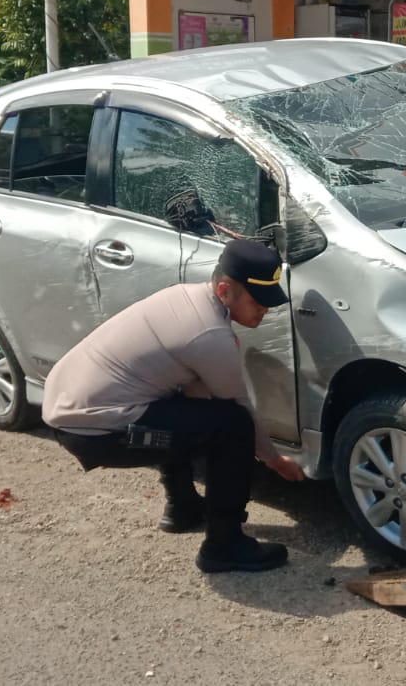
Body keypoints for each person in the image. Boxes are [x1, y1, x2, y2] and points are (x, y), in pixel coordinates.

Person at [42, 238, 307, 573]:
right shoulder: (208, 335)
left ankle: (182, 508)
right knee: (233, 425)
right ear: (225, 291)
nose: (264, 310)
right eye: (258, 301)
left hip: (71, 404)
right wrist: (273, 459)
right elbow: (238, 406)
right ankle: (223, 545)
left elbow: (196, 393)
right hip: (95, 430)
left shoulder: (187, 297)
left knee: (189, 407)